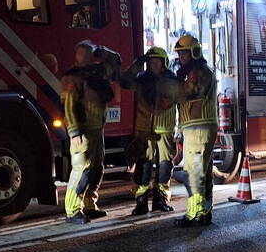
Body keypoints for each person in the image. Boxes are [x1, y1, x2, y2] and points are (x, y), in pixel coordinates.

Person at [60, 41, 120, 223]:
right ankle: (72, 210)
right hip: (83, 132)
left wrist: (102, 50)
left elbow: (117, 60)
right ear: (76, 57)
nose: (85, 58)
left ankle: (89, 204)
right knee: (81, 171)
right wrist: (73, 131)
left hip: (97, 129)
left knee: (96, 169)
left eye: (88, 54)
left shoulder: (97, 72)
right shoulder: (72, 78)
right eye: (81, 55)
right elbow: (67, 107)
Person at [120, 46, 178, 215]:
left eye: (157, 62)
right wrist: (138, 63)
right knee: (143, 166)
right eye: (150, 62)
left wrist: (181, 128)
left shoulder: (172, 80)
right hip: (144, 130)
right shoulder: (141, 80)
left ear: (164, 63)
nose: (153, 65)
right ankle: (141, 202)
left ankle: (161, 200)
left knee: (165, 166)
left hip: (165, 130)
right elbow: (124, 81)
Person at [171, 34, 219, 227]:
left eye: (184, 54)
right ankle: (205, 211)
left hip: (198, 127)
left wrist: (171, 85)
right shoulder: (198, 71)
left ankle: (194, 213)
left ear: (195, 53)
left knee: (193, 171)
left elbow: (188, 93)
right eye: (179, 54)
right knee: (205, 172)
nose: (181, 58)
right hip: (200, 127)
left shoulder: (197, 73)